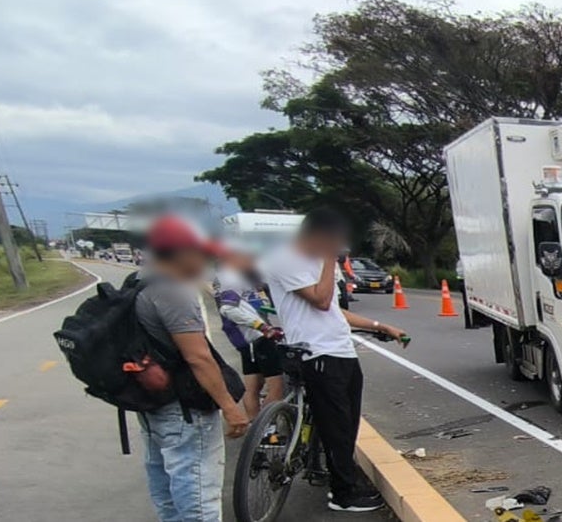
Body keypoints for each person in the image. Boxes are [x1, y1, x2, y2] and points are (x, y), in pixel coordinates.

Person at [261, 208, 408, 513]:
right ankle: (343, 493)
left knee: (347, 422)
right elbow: (321, 299)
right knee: (337, 427)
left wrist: (381, 326)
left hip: (341, 350)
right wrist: (329, 260)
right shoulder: (286, 259)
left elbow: (334, 311)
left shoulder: (318, 262)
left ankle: (342, 477)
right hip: (317, 353)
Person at [135, 216, 250, 521]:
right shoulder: (173, 291)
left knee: (166, 486)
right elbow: (198, 357)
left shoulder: (139, 282)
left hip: (153, 403)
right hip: (184, 409)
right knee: (198, 490)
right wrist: (230, 406)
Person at [213, 243, 285, 419]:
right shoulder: (231, 278)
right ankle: (267, 430)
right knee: (276, 386)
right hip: (255, 336)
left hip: (247, 338)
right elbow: (228, 309)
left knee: (253, 386)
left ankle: (256, 430)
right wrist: (263, 327)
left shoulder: (229, 276)